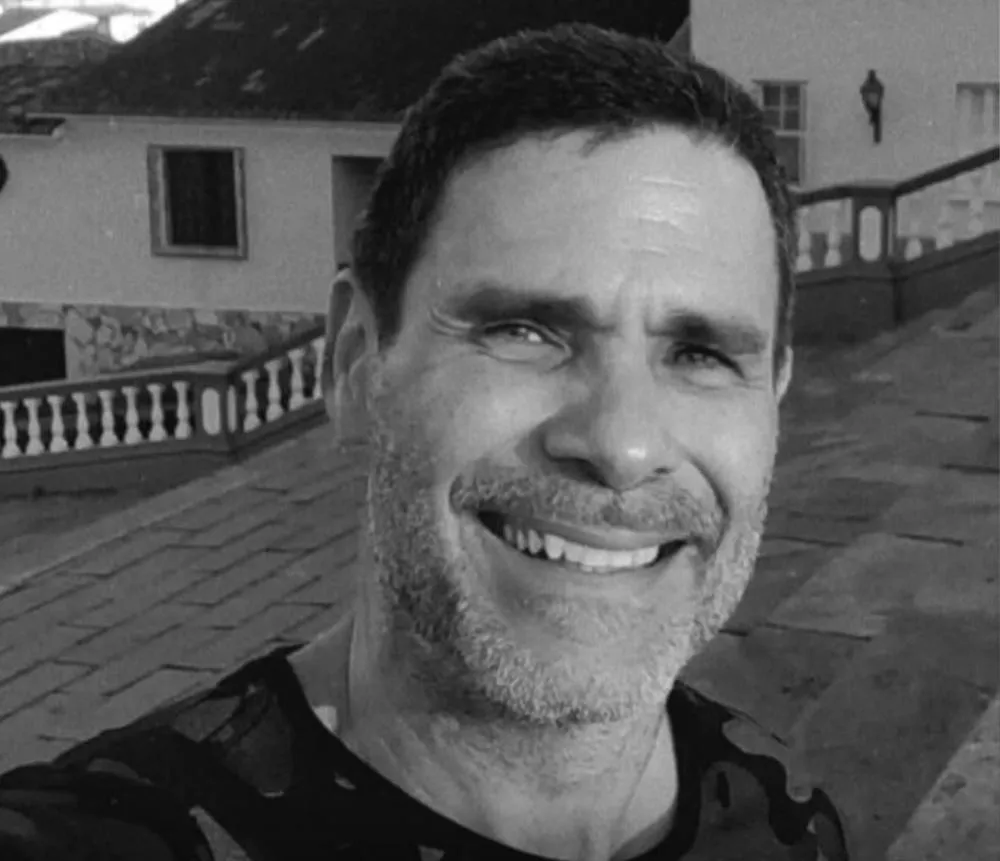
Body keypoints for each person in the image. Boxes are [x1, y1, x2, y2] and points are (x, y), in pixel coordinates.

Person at [0, 24, 851, 861]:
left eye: (701, 354)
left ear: (774, 395)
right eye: (524, 330)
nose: (621, 444)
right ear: (355, 361)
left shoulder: (787, 816)